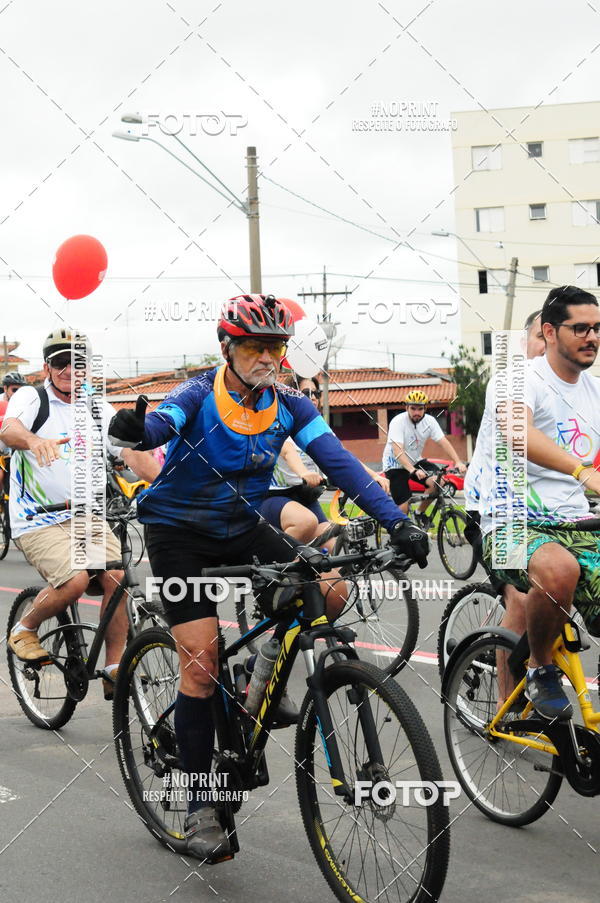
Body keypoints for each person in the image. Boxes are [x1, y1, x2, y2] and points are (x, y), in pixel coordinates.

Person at [108, 293, 429, 861]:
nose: (267, 357)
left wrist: (397, 521)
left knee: (329, 589)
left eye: (276, 347)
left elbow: (338, 462)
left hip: (242, 523)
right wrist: (136, 428)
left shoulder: (290, 404)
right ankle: (200, 805)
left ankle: (258, 681)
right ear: (226, 347)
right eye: (254, 346)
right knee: (201, 665)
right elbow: (160, 424)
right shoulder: (198, 392)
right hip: (179, 532)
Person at [4, 329, 159, 699]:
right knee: (74, 581)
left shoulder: (96, 407)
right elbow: (9, 429)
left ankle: (114, 667)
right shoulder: (31, 397)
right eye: (59, 362)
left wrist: (167, 482)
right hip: (37, 517)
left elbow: (127, 450)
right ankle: (25, 628)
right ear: (47, 367)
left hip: (87, 516)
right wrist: (34, 441)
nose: (68, 370)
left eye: (77, 363)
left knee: (118, 578)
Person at [480, 286, 600, 720]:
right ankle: (539, 668)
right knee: (558, 570)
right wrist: (581, 471)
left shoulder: (596, 390)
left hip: (576, 521)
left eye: (597, 328)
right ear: (549, 332)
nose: (592, 337)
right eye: (580, 328)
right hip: (511, 521)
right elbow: (519, 433)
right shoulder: (517, 380)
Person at [462, 311, 544, 708]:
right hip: (492, 510)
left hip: (541, 514)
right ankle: (505, 706)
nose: (547, 347)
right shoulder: (512, 383)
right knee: (523, 601)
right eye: (541, 337)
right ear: (525, 342)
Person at [261, 372, 390, 545]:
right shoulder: (280, 422)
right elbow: (288, 451)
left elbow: (343, 456)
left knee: (331, 545)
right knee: (305, 523)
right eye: (306, 393)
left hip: (306, 496)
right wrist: (304, 473)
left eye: (316, 393)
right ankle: (273, 558)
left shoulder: (317, 427)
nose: (313, 398)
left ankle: (301, 561)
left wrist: (373, 475)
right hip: (276, 496)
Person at [382, 390, 467, 519]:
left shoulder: (430, 421)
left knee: (439, 482)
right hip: (395, 464)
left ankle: (419, 513)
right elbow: (397, 451)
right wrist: (412, 470)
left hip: (415, 461)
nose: (416, 412)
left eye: (420, 409)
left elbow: (443, 442)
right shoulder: (398, 422)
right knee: (403, 508)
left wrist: (458, 461)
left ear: (425, 409)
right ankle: (399, 529)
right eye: (413, 408)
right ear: (407, 408)